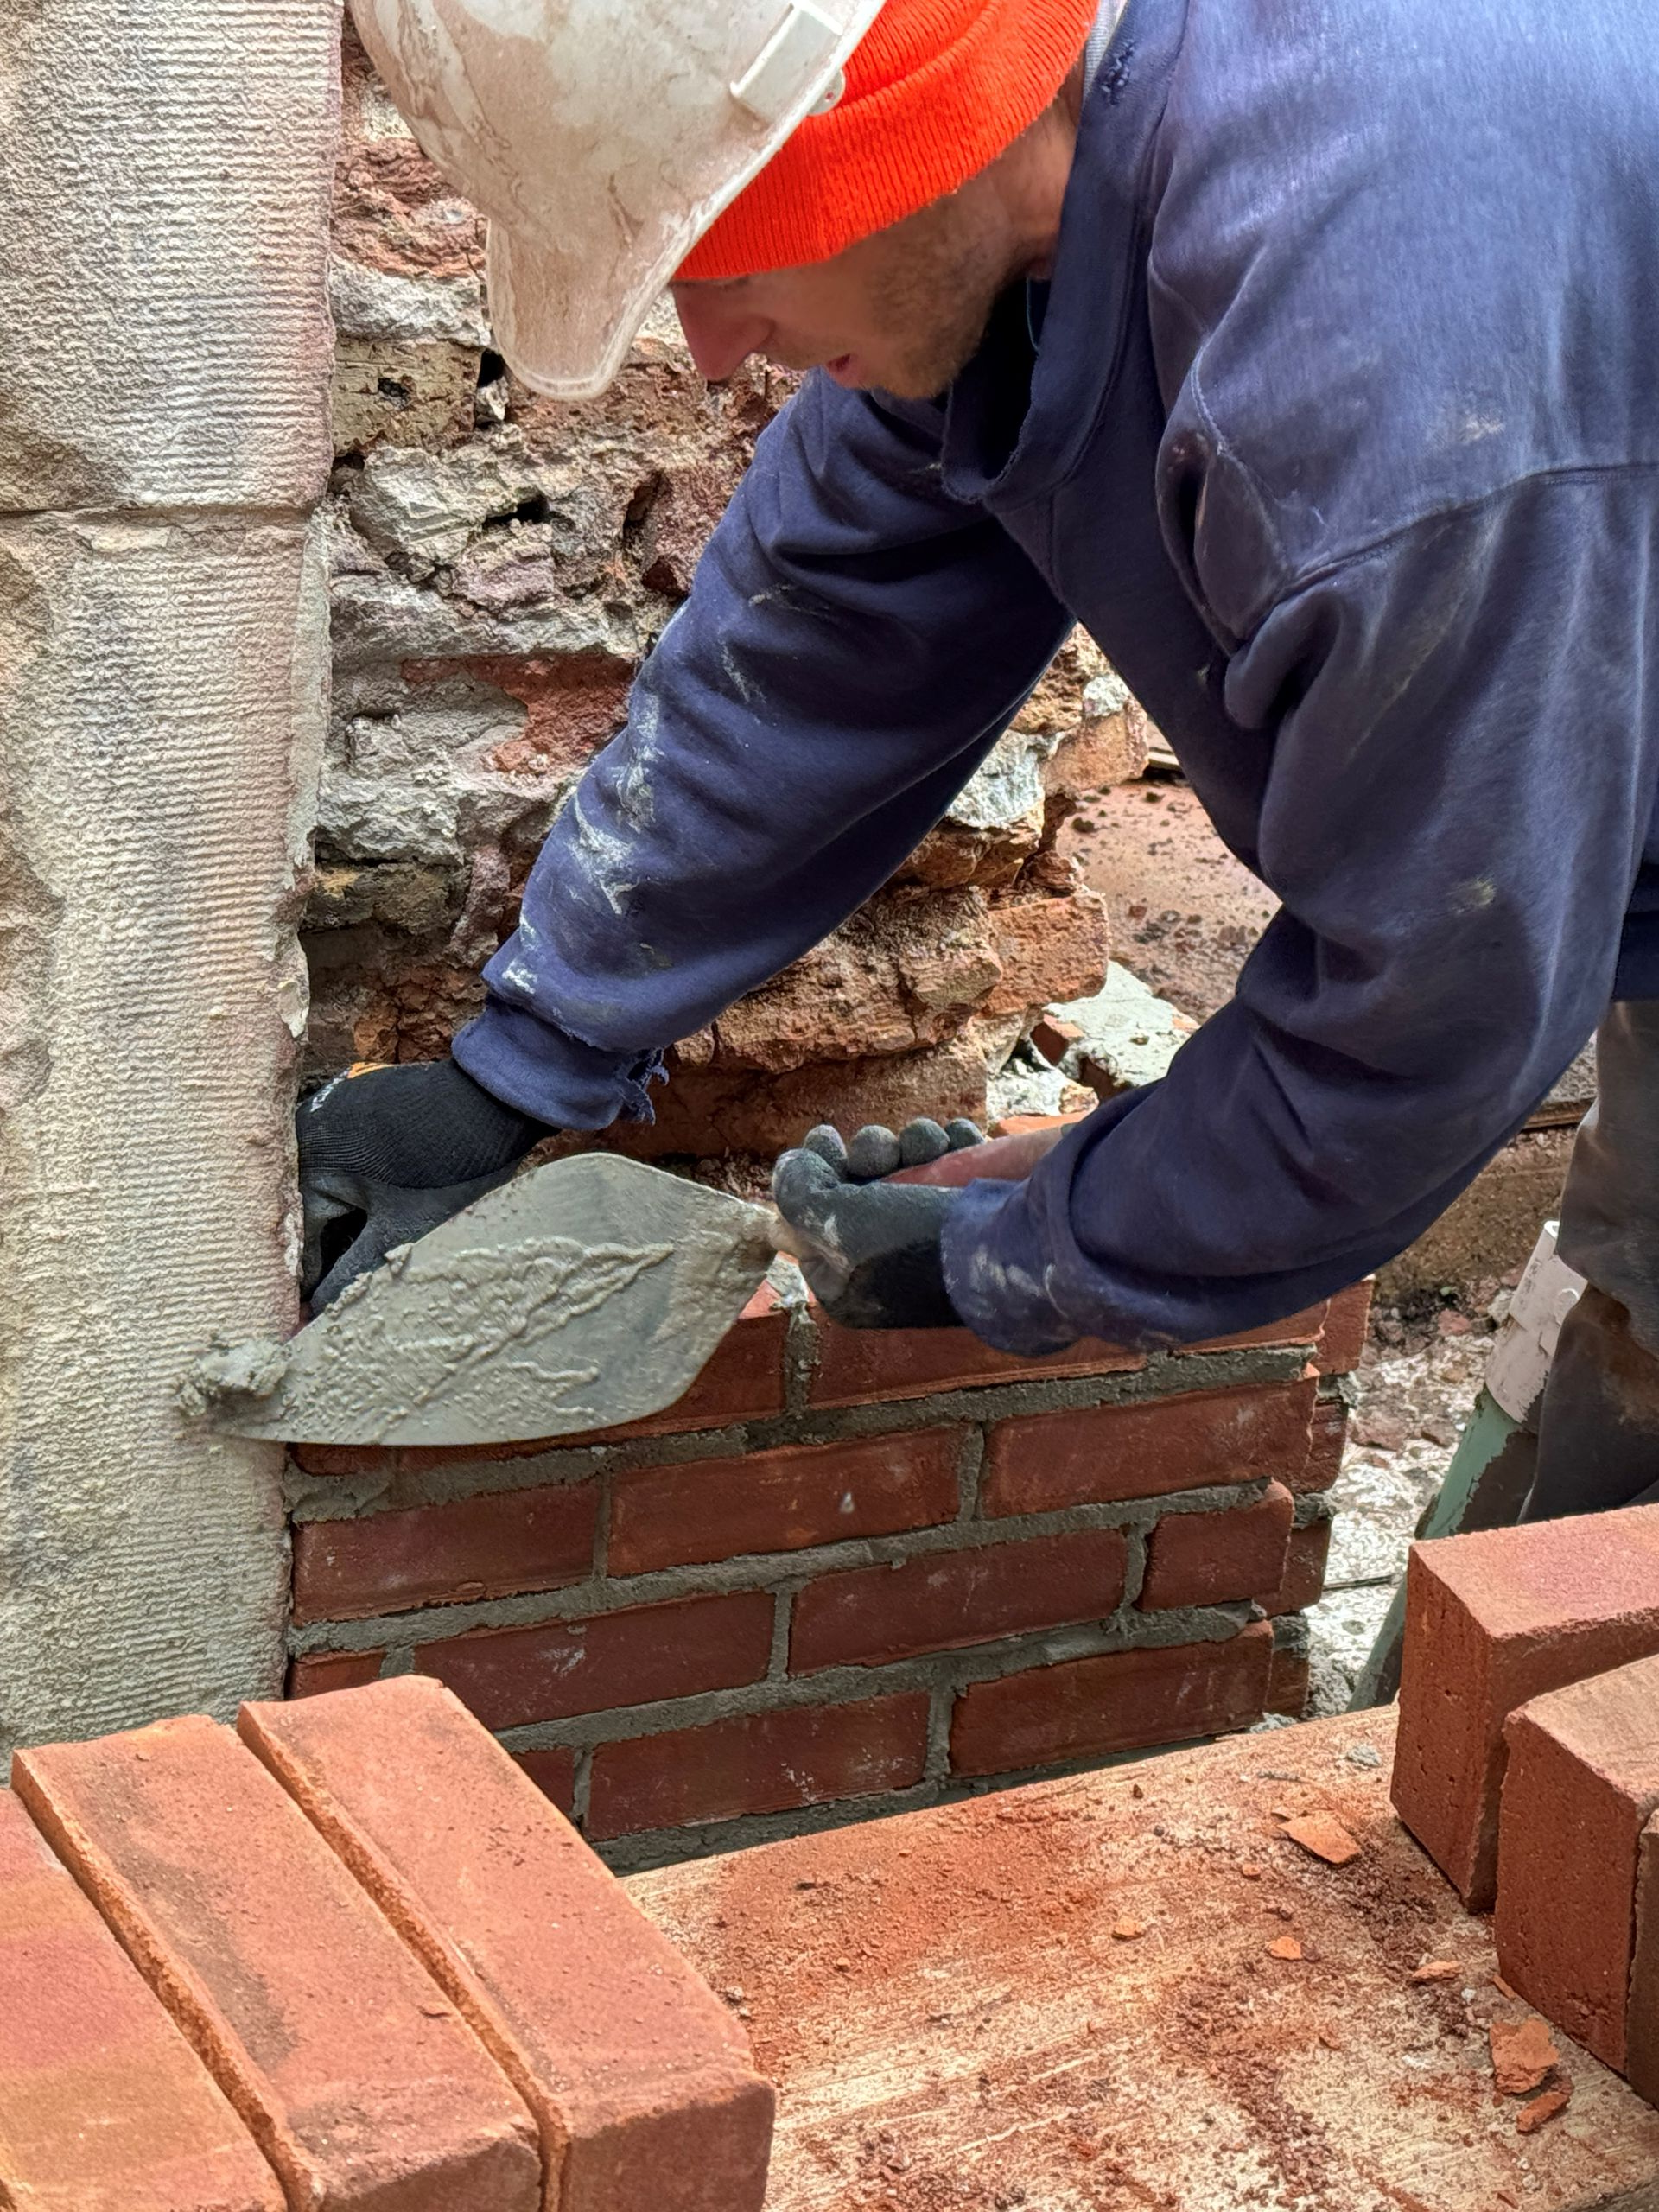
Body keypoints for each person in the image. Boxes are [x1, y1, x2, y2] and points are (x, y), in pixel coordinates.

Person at [301, 0, 1659, 1517]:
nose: (708, 352)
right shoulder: (1027, 228)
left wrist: (1033, 1250)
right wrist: (520, 1070)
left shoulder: (1365, 395)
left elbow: (1431, 1008)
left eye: (725, 263)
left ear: (893, 145)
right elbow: (822, 641)